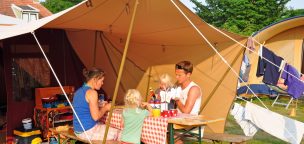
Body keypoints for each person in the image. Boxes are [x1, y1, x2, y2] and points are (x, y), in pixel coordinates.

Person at [73, 67, 120, 141]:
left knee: (111, 129)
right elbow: (96, 117)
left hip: (78, 130)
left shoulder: (78, 91)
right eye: (101, 81)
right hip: (87, 131)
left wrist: (99, 105)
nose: (102, 83)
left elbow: (84, 107)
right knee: (120, 134)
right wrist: (106, 108)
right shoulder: (92, 93)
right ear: (94, 79)